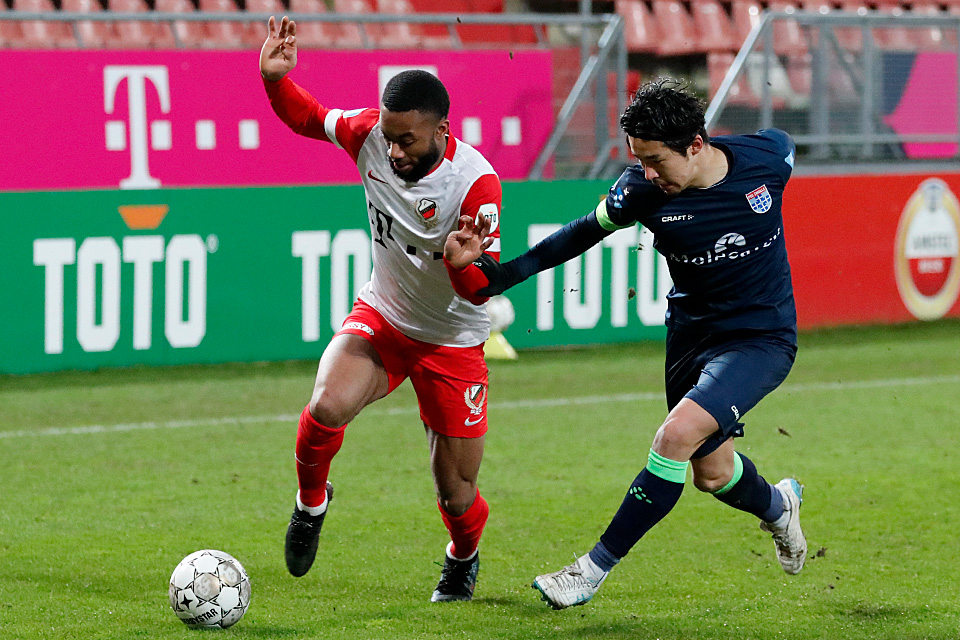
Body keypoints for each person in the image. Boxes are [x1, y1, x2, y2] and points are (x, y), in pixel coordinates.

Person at [443, 78, 806, 609]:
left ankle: (589, 571)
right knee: (712, 474)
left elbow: (786, 144)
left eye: (656, 159)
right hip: (690, 336)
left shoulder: (767, 159)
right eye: (639, 159)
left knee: (674, 438)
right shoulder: (641, 190)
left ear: (697, 144)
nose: (648, 172)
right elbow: (580, 232)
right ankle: (779, 506)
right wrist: (500, 276)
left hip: (761, 338)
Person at [260, 16, 504, 602]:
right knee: (325, 406)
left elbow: (479, 292)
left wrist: (461, 264)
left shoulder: (476, 185)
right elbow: (308, 116)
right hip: (385, 318)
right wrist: (274, 80)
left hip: (452, 341)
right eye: (389, 137)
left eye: (406, 141)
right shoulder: (370, 133)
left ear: (442, 130)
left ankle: (462, 557)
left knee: (456, 495)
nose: (392, 150)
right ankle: (310, 505)